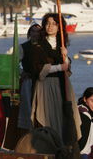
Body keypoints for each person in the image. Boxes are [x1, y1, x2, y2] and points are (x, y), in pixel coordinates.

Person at [30, 13, 81, 143]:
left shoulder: (62, 45)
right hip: (45, 85)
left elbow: (67, 69)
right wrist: (59, 67)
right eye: (47, 23)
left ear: (59, 27)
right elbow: (38, 68)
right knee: (47, 118)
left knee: (64, 116)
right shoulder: (38, 45)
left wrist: (65, 57)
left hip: (62, 85)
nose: (50, 26)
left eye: (54, 24)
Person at [17, 23, 41, 131]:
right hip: (29, 81)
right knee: (28, 107)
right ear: (29, 33)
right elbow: (14, 64)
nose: (35, 34)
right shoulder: (23, 47)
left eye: (37, 31)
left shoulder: (45, 46)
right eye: (33, 31)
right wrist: (22, 73)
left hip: (42, 81)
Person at [78, 87, 93, 159]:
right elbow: (82, 142)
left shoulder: (79, 110)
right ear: (85, 99)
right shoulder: (84, 116)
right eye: (92, 101)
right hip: (84, 154)